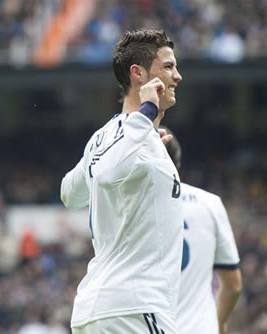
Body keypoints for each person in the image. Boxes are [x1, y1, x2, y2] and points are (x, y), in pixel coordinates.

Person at [61, 29, 184, 333]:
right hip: (135, 307)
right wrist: (145, 117)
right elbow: (107, 172)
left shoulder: (105, 137)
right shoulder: (135, 131)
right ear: (138, 73)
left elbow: (70, 193)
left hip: (102, 309)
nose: (177, 76)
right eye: (168, 67)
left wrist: (140, 140)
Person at [163, 130, 242, 334]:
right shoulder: (209, 203)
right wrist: (219, 323)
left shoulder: (129, 207)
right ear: (177, 164)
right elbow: (233, 285)